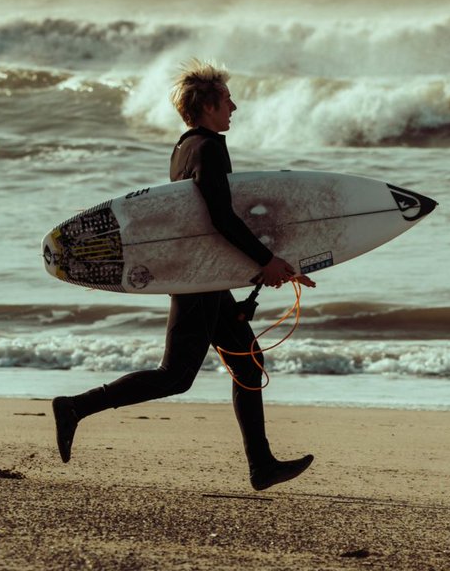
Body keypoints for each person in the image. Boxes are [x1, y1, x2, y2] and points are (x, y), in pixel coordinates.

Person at [52, 59, 316, 491]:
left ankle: (262, 465)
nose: (235, 105)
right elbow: (220, 219)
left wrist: (265, 264)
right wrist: (264, 261)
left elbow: (202, 224)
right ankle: (75, 407)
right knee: (175, 376)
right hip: (198, 279)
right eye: (228, 99)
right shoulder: (210, 148)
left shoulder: (184, 147)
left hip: (202, 275)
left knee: (249, 363)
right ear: (209, 105)